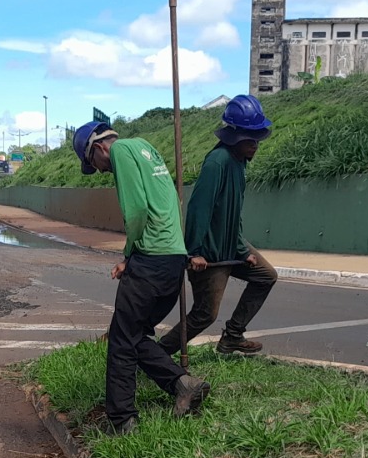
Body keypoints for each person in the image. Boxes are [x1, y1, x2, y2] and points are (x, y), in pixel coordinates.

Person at [74, 118, 210, 436]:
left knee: (121, 342)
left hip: (149, 261)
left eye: (93, 163)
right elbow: (168, 203)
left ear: (97, 148)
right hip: (172, 261)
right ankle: (183, 384)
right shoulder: (145, 147)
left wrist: (128, 254)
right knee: (135, 335)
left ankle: (123, 422)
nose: (101, 171)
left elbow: (136, 210)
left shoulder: (120, 151)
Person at [158, 94, 277, 357]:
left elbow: (233, 213)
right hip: (209, 251)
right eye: (250, 138)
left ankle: (233, 336)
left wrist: (242, 250)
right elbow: (199, 209)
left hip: (229, 245)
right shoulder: (217, 162)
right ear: (234, 136)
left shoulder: (238, 163)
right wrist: (194, 252)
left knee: (266, 276)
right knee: (204, 314)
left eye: (258, 137)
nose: (256, 144)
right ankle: (158, 354)